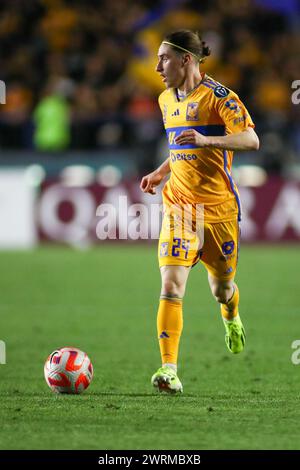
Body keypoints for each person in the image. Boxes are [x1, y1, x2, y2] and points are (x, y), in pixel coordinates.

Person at [140, 30, 259, 394]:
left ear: (186, 60)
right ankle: (169, 369)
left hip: (219, 211)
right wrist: (162, 171)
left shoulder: (221, 97)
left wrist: (208, 139)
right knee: (171, 285)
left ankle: (231, 315)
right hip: (179, 207)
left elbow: (251, 140)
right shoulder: (164, 100)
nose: (158, 66)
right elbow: (180, 148)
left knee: (222, 289)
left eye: (164, 58)